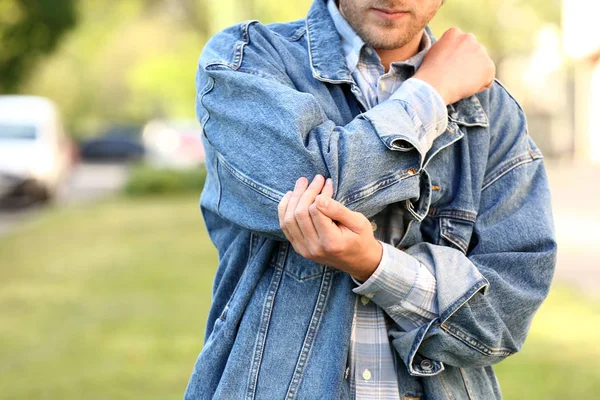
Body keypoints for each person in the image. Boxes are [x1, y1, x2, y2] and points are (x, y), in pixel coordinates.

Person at [184, 0, 556, 398]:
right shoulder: (247, 58)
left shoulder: (490, 109)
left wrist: (376, 265)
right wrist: (430, 94)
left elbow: (502, 317)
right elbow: (317, 196)